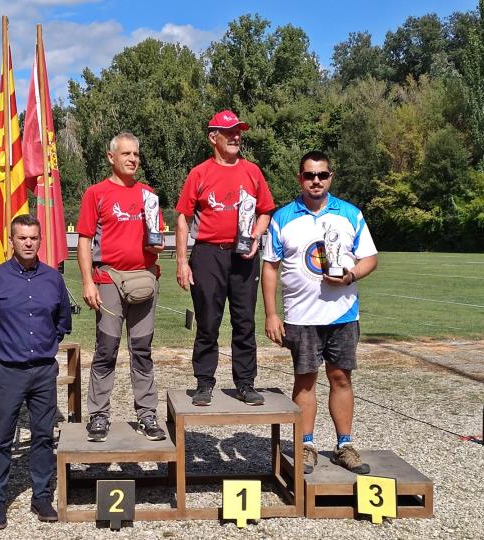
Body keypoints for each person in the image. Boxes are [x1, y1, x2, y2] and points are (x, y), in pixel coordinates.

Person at [261, 150, 378, 475]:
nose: (316, 180)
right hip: (300, 316)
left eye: (322, 175)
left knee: (341, 378)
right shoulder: (283, 217)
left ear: (331, 177)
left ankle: (344, 445)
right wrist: (271, 314)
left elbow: (370, 258)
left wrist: (351, 275)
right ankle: (307, 445)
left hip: (342, 316)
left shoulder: (350, 214)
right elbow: (269, 267)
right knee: (306, 380)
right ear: (300, 178)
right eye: (309, 175)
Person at [0, 214, 72, 528]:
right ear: (10, 241)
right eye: (22, 238)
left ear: (40, 240)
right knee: (1, 439)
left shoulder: (53, 279)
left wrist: (44, 346)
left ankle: (41, 496)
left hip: (43, 372)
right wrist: (1, 348)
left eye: (33, 238)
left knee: (43, 437)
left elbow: (62, 323)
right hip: (7, 373)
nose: (28, 243)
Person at [175, 110, 275, 406]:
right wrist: (182, 262)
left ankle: (245, 383)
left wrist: (256, 234)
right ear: (213, 137)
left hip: (244, 254)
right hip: (208, 254)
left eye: (238, 131)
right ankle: (204, 383)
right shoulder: (199, 173)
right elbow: (183, 218)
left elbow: (265, 211)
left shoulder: (252, 171)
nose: (236, 136)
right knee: (208, 321)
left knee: (244, 320)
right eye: (229, 131)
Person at [76, 131, 166, 443]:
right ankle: (99, 416)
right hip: (108, 281)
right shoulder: (96, 193)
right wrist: (88, 281)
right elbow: (84, 240)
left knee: (142, 350)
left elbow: (158, 242)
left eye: (136, 155)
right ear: (111, 157)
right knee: (106, 350)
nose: (132, 159)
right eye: (126, 154)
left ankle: (147, 413)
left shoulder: (148, 195)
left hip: (143, 280)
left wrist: (157, 247)